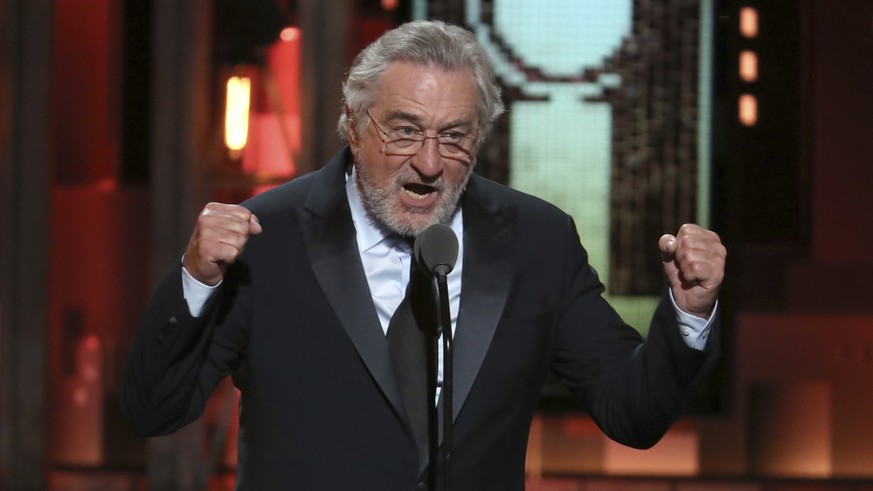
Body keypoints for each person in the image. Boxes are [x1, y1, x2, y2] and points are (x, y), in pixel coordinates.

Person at [123, 20, 725, 491]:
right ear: (354, 127)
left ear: (480, 139)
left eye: (455, 136)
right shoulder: (269, 236)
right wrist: (196, 279)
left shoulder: (540, 241)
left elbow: (632, 412)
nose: (430, 163)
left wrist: (690, 314)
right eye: (405, 131)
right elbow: (156, 407)